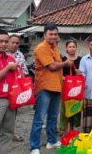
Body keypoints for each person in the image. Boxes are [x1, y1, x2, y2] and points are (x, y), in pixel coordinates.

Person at [30, 24, 73, 154]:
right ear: (44, 35)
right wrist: (66, 63)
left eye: (55, 34)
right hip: (44, 87)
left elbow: (56, 68)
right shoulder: (41, 48)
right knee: (39, 118)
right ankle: (34, 147)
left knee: (53, 117)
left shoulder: (54, 47)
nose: (53, 36)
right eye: (51, 34)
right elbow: (52, 67)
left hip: (56, 87)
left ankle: (52, 141)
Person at [7, 34, 28, 142]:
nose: (15, 45)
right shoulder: (3, 54)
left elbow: (25, 70)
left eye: (17, 43)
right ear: (8, 42)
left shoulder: (20, 55)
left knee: (13, 112)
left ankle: (11, 134)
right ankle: (0, 136)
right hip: (3, 89)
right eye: (12, 42)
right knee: (1, 113)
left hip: (16, 88)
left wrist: (18, 70)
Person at [59, 40, 82, 134]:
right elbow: (59, 73)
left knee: (75, 107)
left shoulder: (80, 59)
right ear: (66, 48)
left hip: (76, 88)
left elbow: (82, 73)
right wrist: (65, 78)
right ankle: (65, 130)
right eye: (70, 47)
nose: (72, 48)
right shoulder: (63, 60)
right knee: (65, 108)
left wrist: (79, 73)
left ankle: (73, 129)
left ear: (76, 48)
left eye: (73, 46)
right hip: (66, 87)